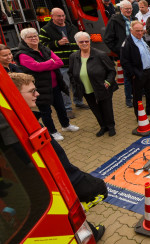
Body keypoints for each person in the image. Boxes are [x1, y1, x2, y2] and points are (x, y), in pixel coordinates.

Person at [8, 72, 107, 241]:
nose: (37, 94)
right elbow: (51, 161)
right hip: (56, 186)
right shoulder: (20, 130)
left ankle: (90, 231)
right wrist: (75, 181)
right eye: (32, 91)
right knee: (97, 191)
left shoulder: (16, 124)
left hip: (46, 187)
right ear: (15, 96)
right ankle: (90, 233)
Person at [14, 28, 79, 141]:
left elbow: (59, 62)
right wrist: (50, 62)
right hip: (40, 88)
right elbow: (36, 67)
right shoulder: (22, 54)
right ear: (24, 39)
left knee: (61, 107)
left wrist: (45, 64)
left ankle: (66, 125)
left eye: (35, 36)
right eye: (30, 37)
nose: (34, 38)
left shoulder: (44, 48)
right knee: (46, 112)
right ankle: (52, 132)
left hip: (55, 85)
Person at [39, 7, 87, 119]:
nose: (61, 18)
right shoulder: (46, 29)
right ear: (52, 16)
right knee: (65, 87)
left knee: (77, 83)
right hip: (61, 65)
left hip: (75, 62)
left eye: (63, 15)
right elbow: (42, 46)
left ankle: (78, 101)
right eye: (58, 16)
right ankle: (67, 108)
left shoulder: (71, 27)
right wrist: (57, 43)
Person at [68, 32, 118, 137]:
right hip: (86, 89)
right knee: (95, 109)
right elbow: (71, 73)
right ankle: (103, 126)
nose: (85, 43)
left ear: (90, 42)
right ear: (77, 43)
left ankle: (111, 126)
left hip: (102, 87)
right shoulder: (74, 56)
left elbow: (111, 71)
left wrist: (108, 82)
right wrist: (76, 84)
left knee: (106, 108)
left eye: (87, 41)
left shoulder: (100, 55)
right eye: (81, 42)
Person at [120, 21, 150, 118]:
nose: (140, 33)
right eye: (137, 31)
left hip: (149, 71)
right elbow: (124, 62)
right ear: (131, 30)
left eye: (141, 31)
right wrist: (134, 74)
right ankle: (139, 116)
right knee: (138, 97)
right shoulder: (127, 44)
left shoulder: (142, 39)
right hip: (138, 74)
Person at [103, 0, 136, 108]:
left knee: (137, 74)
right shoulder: (114, 20)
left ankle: (137, 94)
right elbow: (107, 39)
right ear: (121, 9)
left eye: (130, 8)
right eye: (126, 8)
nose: (129, 10)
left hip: (135, 53)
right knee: (127, 76)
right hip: (124, 54)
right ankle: (128, 98)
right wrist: (118, 51)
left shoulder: (134, 19)